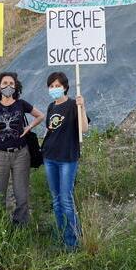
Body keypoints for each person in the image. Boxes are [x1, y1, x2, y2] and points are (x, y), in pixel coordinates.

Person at [0, 72, 44, 225]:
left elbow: (40, 115)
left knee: (22, 194)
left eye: (11, 83)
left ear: (16, 86)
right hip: (0, 155)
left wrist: (29, 126)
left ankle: (20, 226)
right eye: (5, 83)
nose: (8, 86)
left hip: (21, 154)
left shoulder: (21, 104)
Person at [41, 72, 88, 250]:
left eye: (57, 86)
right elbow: (49, 130)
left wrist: (82, 108)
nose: (54, 89)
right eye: (51, 86)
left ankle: (73, 242)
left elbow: (84, 129)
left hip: (67, 158)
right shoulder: (51, 106)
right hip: (50, 157)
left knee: (66, 199)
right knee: (56, 199)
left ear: (65, 87)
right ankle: (61, 235)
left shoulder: (73, 105)